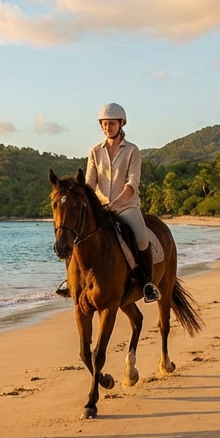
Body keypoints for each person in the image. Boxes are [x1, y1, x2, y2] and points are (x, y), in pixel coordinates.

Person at [85, 103, 159, 302]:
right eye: (104, 123)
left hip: (126, 206)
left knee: (142, 239)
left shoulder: (132, 151)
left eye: (111, 123)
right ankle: (74, 282)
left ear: (120, 124)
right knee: (78, 236)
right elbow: (90, 183)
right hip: (101, 208)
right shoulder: (94, 152)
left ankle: (148, 283)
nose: (107, 127)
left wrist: (116, 203)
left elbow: (132, 184)